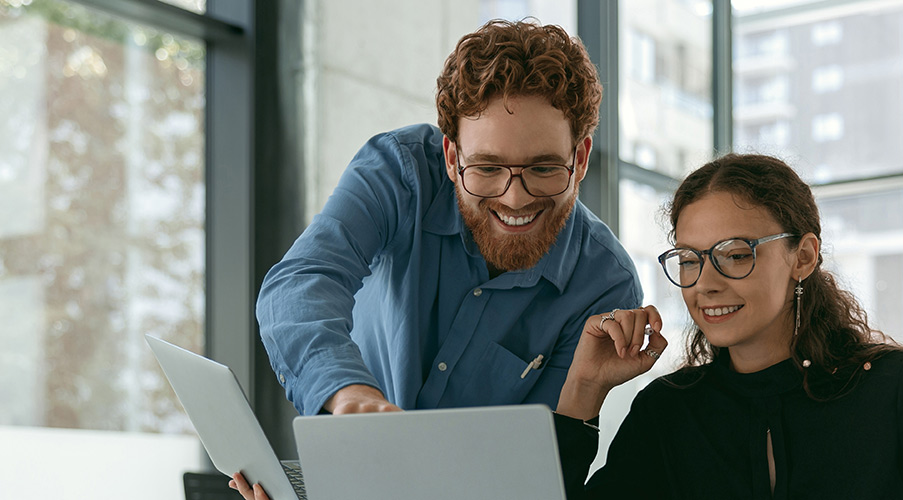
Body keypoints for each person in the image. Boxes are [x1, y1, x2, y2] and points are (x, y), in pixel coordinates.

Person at [229, 18, 642, 499]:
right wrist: (350, 395)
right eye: (486, 167)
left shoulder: (605, 286)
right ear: (451, 156)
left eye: (544, 168)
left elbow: (531, 475)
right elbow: (301, 283)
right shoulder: (399, 172)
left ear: (581, 158)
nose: (514, 197)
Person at [553, 153, 903, 499]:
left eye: (735, 254)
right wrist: (584, 388)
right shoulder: (668, 412)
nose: (705, 284)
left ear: (802, 257)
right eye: (689, 260)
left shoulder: (894, 387)